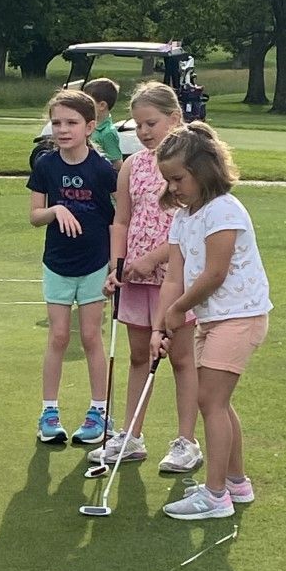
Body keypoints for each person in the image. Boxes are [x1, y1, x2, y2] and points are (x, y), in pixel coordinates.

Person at [150, 122, 272, 520]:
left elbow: (214, 274)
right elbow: (174, 277)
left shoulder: (224, 210)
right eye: (168, 181)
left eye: (179, 178)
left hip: (241, 315)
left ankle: (216, 494)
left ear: (204, 169)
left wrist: (175, 311)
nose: (173, 188)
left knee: (210, 401)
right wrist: (159, 325)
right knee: (218, 402)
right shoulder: (184, 217)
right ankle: (236, 483)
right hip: (214, 319)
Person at [89, 81, 201, 473]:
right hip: (135, 277)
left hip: (175, 276)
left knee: (181, 359)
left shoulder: (189, 169)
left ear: (175, 118)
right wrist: (117, 267)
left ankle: (187, 441)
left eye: (151, 123)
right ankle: (131, 434)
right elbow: (121, 220)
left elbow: (185, 228)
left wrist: (151, 259)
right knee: (139, 356)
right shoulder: (134, 165)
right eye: (137, 125)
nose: (144, 132)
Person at [28, 89, 117, 446]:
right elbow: (35, 215)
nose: (63, 130)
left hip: (95, 264)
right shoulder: (46, 165)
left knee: (92, 337)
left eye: (72, 123)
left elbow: (116, 221)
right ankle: (49, 412)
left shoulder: (102, 170)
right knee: (60, 336)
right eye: (57, 123)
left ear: (90, 126)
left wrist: (115, 265)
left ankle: (99, 412)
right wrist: (56, 210)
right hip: (57, 263)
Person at [83, 78, 123, 171]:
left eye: (88, 101)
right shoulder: (87, 124)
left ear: (102, 105)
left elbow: (117, 163)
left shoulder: (107, 132)